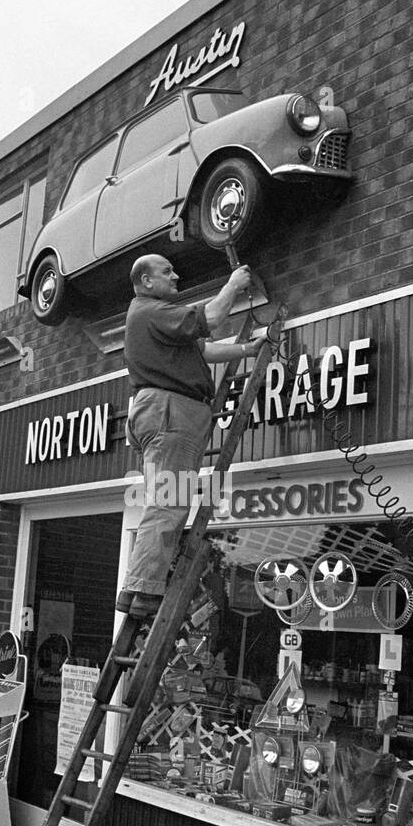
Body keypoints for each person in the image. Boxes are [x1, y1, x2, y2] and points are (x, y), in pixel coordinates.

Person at [117, 253, 264, 620]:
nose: (176, 275)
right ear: (147, 281)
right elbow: (211, 319)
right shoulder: (152, 310)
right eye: (167, 271)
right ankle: (145, 591)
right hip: (171, 411)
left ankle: (135, 591)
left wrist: (247, 350)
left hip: (160, 412)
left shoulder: (154, 320)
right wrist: (233, 284)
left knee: (163, 500)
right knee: (169, 503)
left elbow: (206, 348)